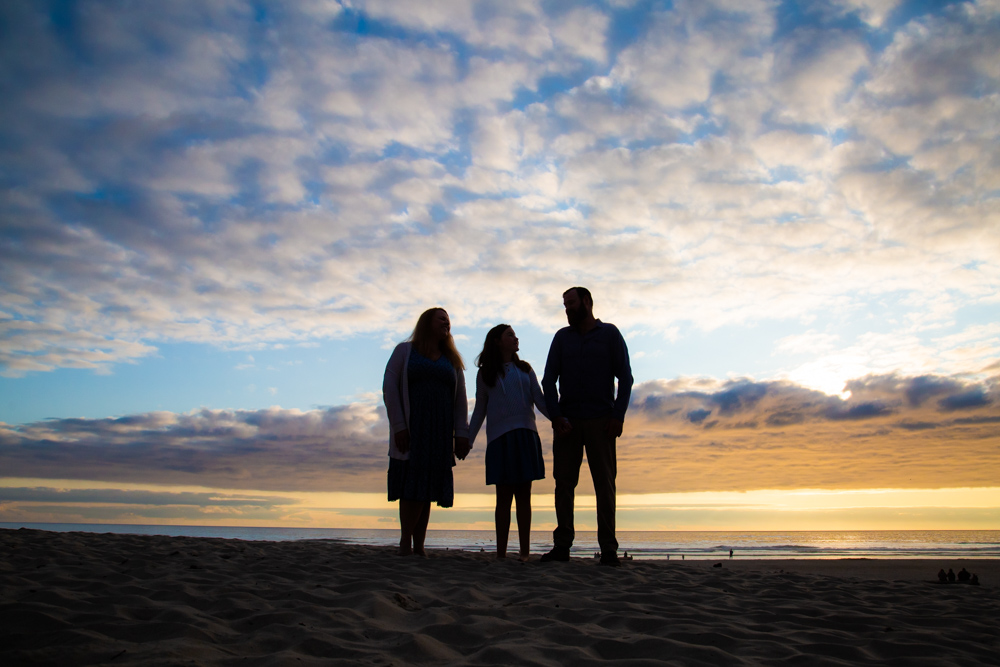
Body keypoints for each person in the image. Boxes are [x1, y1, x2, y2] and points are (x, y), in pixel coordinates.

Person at [540, 287, 633, 567]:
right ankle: (562, 547)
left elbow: (625, 378)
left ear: (587, 302)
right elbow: (548, 381)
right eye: (564, 305)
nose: (567, 308)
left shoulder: (610, 335)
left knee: (604, 484)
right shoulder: (561, 338)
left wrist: (618, 415)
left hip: (602, 421)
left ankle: (608, 550)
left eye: (571, 303)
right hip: (568, 422)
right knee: (563, 484)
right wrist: (556, 417)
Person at [383, 308, 471, 556]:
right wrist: (399, 426)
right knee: (412, 486)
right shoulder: (405, 351)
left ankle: (419, 546)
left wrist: (461, 433)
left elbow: (461, 398)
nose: (447, 322)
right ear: (426, 322)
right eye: (441, 318)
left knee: (428, 487)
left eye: (449, 320)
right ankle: (405, 542)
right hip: (413, 428)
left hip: (440, 430)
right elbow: (389, 386)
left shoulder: (451, 360)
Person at [469, 324, 549, 561]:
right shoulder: (485, 374)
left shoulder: (525, 369)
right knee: (503, 497)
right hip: (499, 439)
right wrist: (468, 439)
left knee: (524, 495)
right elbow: (479, 410)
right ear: (497, 341)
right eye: (510, 335)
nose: (515, 338)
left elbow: (540, 400)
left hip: (526, 434)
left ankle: (525, 552)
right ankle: (501, 553)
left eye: (515, 335)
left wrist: (559, 419)